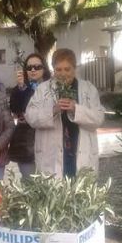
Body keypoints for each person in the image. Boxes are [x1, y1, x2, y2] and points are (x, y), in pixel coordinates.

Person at [25, 48, 104, 178]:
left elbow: (98, 118)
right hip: (51, 156)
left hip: (80, 151)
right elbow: (31, 116)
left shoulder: (88, 89)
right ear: (53, 69)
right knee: (55, 195)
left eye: (67, 69)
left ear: (75, 68)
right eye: (58, 69)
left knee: (80, 191)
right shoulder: (42, 89)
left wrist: (76, 109)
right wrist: (53, 110)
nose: (63, 74)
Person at [8, 53, 50, 177]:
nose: (33, 70)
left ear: (44, 68)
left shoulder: (52, 88)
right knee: (30, 181)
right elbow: (16, 109)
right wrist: (21, 88)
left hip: (47, 139)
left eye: (37, 67)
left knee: (48, 182)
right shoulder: (20, 89)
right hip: (26, 144)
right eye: (29, 67)